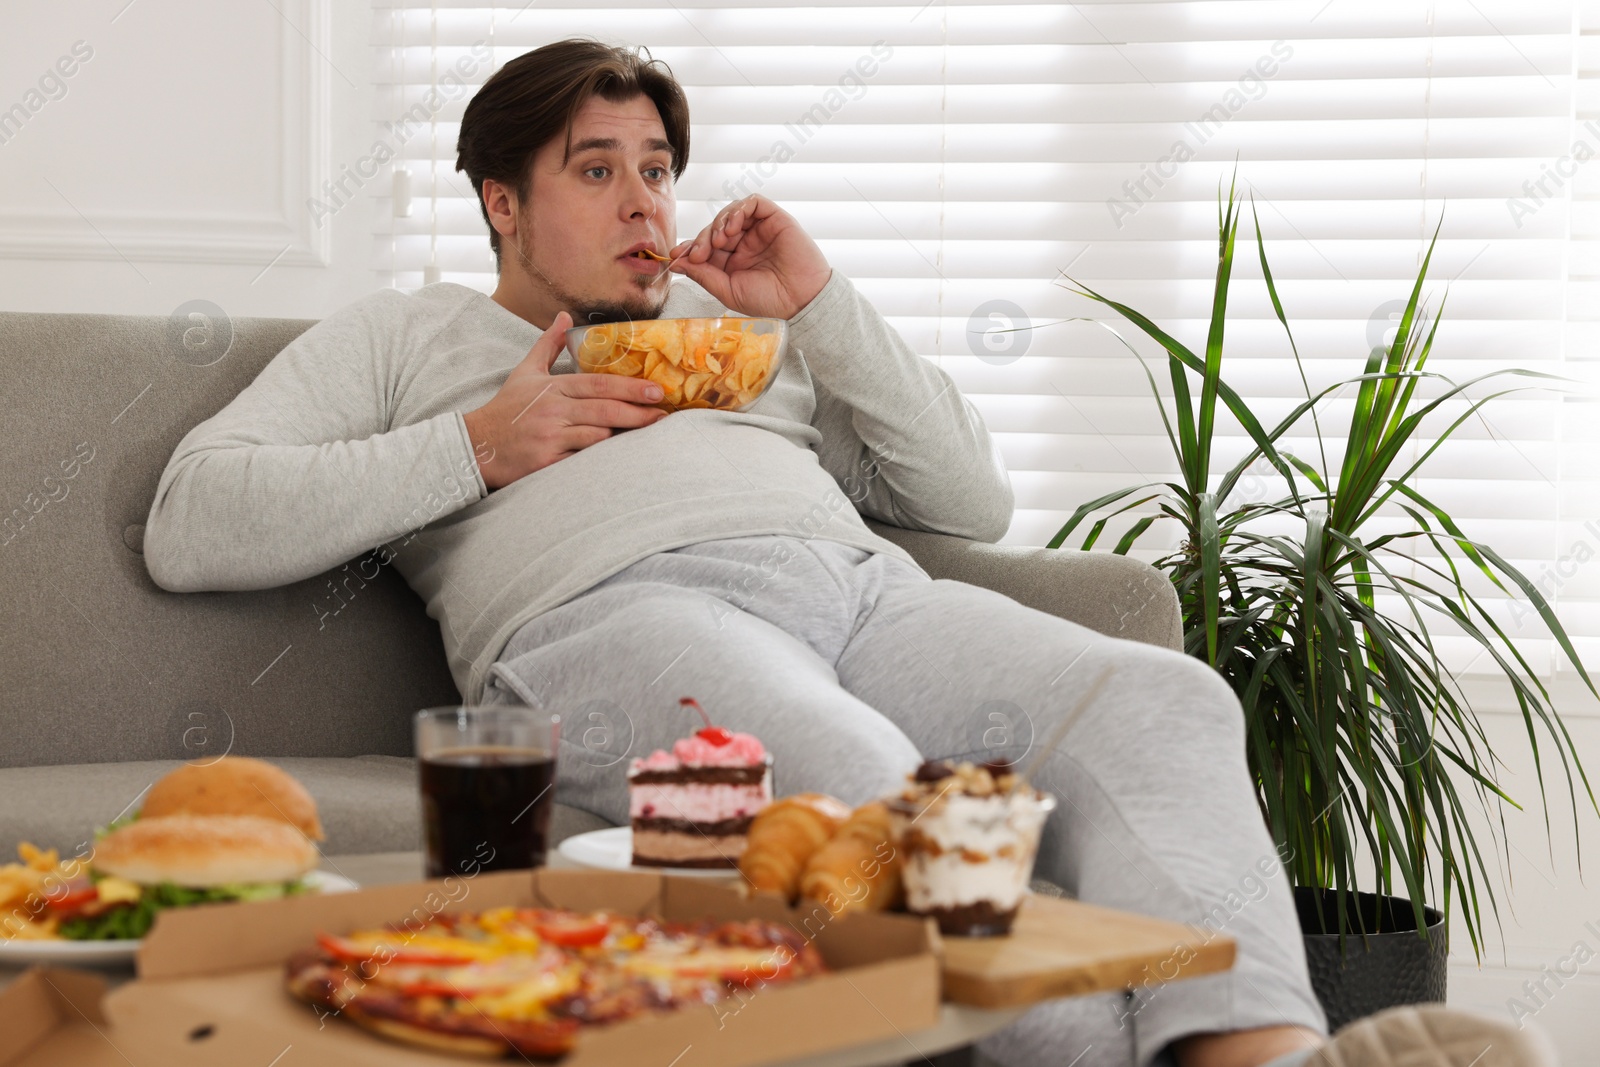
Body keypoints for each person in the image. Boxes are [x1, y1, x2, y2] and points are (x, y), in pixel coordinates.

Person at [142, 38, 1556, 1067]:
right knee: (881, 796)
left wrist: (815, 301)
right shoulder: (408, 340)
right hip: (617, 623)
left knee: (1164, 694)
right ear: (501, 202)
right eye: (596, 170)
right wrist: (477, 447)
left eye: (659, 168)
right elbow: (195, 518)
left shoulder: (755, 343)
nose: (647, 204)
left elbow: (973, 494)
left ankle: (1259, 1057)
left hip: (867, 597)